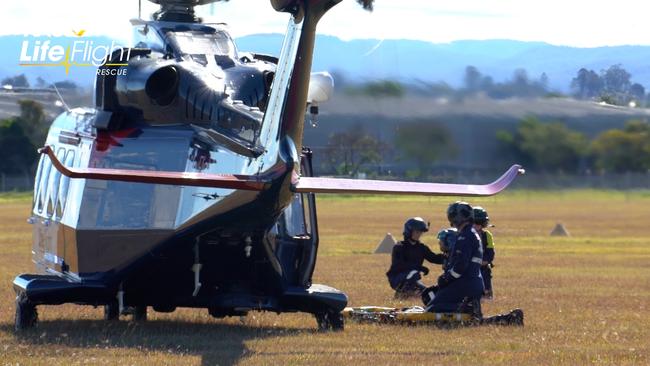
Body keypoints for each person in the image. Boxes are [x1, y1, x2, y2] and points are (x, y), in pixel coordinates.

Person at [426, 201, 484, 316]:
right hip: (473, 283)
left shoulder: (465, 236)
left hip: (464, 284)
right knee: (432, 298)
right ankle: (468, 307)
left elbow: (460, 266)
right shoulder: (470, 233)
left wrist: (446, 279)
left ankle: (466, 308)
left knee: (432, 309)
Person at [386, 217, 446, 298]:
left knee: (427, 293)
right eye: (417, 232)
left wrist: (449, 257)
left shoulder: (421, 247)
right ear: (409, 231)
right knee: (414, 273)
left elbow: (433, 258)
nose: (419, 234)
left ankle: (407, 295)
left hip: (413, 278)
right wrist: (420, 268)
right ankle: (402, 292)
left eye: (421, 232)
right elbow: (400, 265)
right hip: (396, 278)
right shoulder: (399, 247)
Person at [473, 206, 495, 299]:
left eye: (479, 223)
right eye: (474, 223)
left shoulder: (487, 235)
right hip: (470, 267)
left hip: (483, 266)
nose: (476, 225)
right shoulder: (465, 236)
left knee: (486, 275)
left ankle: (487, 295)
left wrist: (484, 262)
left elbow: (490, 253)